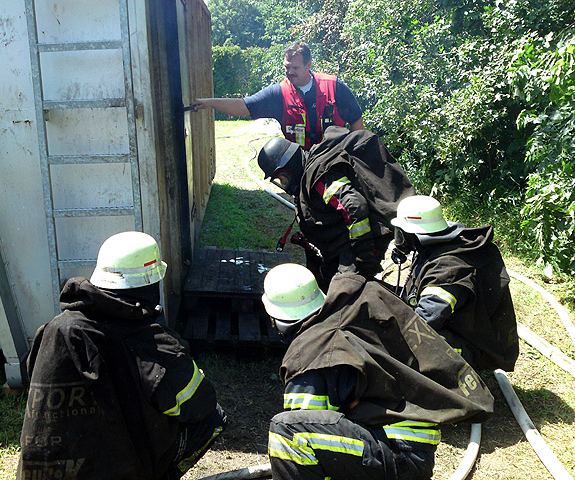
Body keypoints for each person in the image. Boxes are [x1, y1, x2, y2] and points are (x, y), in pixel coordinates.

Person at [17, 231, 226, 480]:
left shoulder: (55, 329)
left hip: (47, 472)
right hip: (121, 471)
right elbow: (200, 403)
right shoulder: (152, 344)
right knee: (215, 417)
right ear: (151, 283)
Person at [261, 263, 494, 480]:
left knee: (289, 432)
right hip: (414, 444)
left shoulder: (307, 357)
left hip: (397, 456)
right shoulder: (360, 300)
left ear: (277, 319)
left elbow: (308, 434)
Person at [258, 125, 415, 291]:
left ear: (289, 167)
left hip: (355, 247)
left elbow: (354, 206)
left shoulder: (318, 178)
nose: (283, 184)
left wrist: (363, 257)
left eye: (282, 178)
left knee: (344, 294)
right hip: (339, 248)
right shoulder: (312, 168)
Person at [391, 195, 519, 372]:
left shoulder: (446, 271)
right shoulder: (440, 246)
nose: (399, 239)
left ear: (414, 233)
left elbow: (425, 321)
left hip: (472, 348)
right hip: (463, 328)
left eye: (401, 232)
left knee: (415, 342)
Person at [192, 41, 364, 150]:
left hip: (335, 159)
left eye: (295, 68)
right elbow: (243, 106)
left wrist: (356, 153)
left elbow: (356, 120)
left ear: (308, 65)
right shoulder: (279, 93)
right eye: (286, 67)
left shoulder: (334, 87)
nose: (289, 72)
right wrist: (209, 103)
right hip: (302, 163)